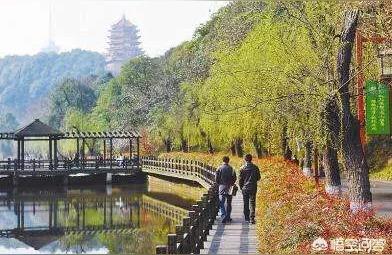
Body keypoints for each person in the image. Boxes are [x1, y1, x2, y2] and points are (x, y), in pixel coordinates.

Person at [239, 154, 261, 224]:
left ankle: (246, 218)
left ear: (245, 159)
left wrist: (241, 187)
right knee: (252, 202)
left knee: (245, 203)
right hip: (253, 187)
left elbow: (240, 179)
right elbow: (258, 178)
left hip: (245, 188)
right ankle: (252, 218)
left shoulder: (242, 168)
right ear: (251, 159)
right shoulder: (255, 167)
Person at [215, 156, 236, 223]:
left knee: (221, 202)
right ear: (228, 161)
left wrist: (219, 183)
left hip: (222, 187)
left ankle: (223, 215)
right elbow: (235, 178)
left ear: (223, 160)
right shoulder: (232, 168)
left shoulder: (219, 168)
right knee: (229, 203)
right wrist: (232, 183)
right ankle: (228, 217)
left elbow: (216, 179)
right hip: (230, 188)